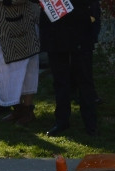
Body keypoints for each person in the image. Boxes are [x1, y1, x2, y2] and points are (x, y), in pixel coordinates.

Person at [39, 0, 98, 136]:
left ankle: (91, 123)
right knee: (60, 79)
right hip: (54, 28)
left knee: (84, 78)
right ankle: (61, 121)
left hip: (80, 25)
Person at [0, 0, 40, 125]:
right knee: (2, 70)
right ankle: (17, 109)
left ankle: (28, 110)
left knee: (27, 71)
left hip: (19, 26)